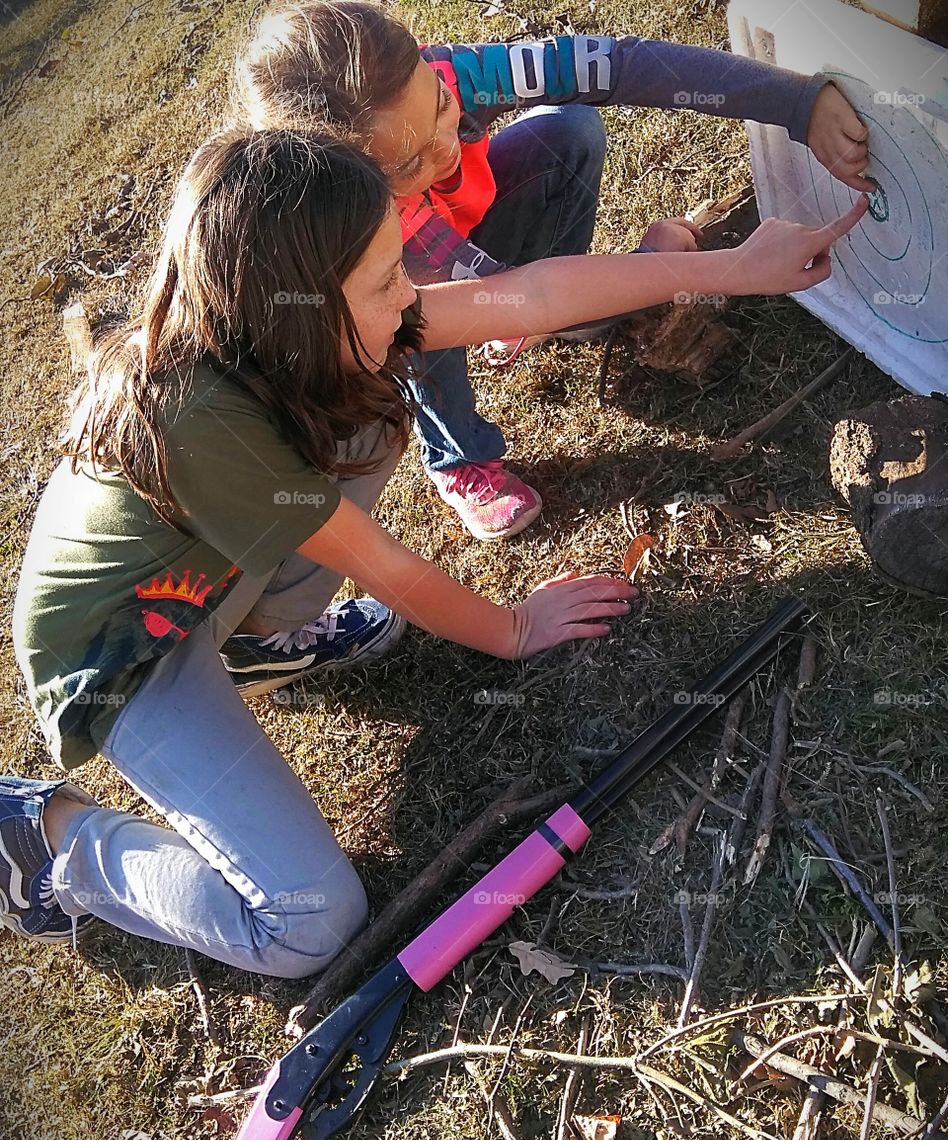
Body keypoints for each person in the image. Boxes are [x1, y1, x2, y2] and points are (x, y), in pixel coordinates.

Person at [2, 127, 866, 977]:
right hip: (122, 651)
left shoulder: (280, 331)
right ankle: (48, 838)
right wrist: (514, 630)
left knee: (368, 415)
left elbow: (525, 296)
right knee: (308, 923)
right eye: (385, 280)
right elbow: (386, 568)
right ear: (299, 303)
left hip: (205, 578)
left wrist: (733, 267)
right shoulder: (204, 423)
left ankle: (257, 641)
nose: (410, 293)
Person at [234, 0, 874, 538]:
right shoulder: (350, 235)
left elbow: (620, 65)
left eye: (441, 108)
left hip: (466, 251)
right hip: (410, 299)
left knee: (569, 129)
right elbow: (519, 301)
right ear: (346, 181)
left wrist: (796, 102)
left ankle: (553, 317)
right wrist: (709, 267)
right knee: (421, 333)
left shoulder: (447, 75)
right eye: (408, 164)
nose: (447, 147)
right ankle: (458, 457)